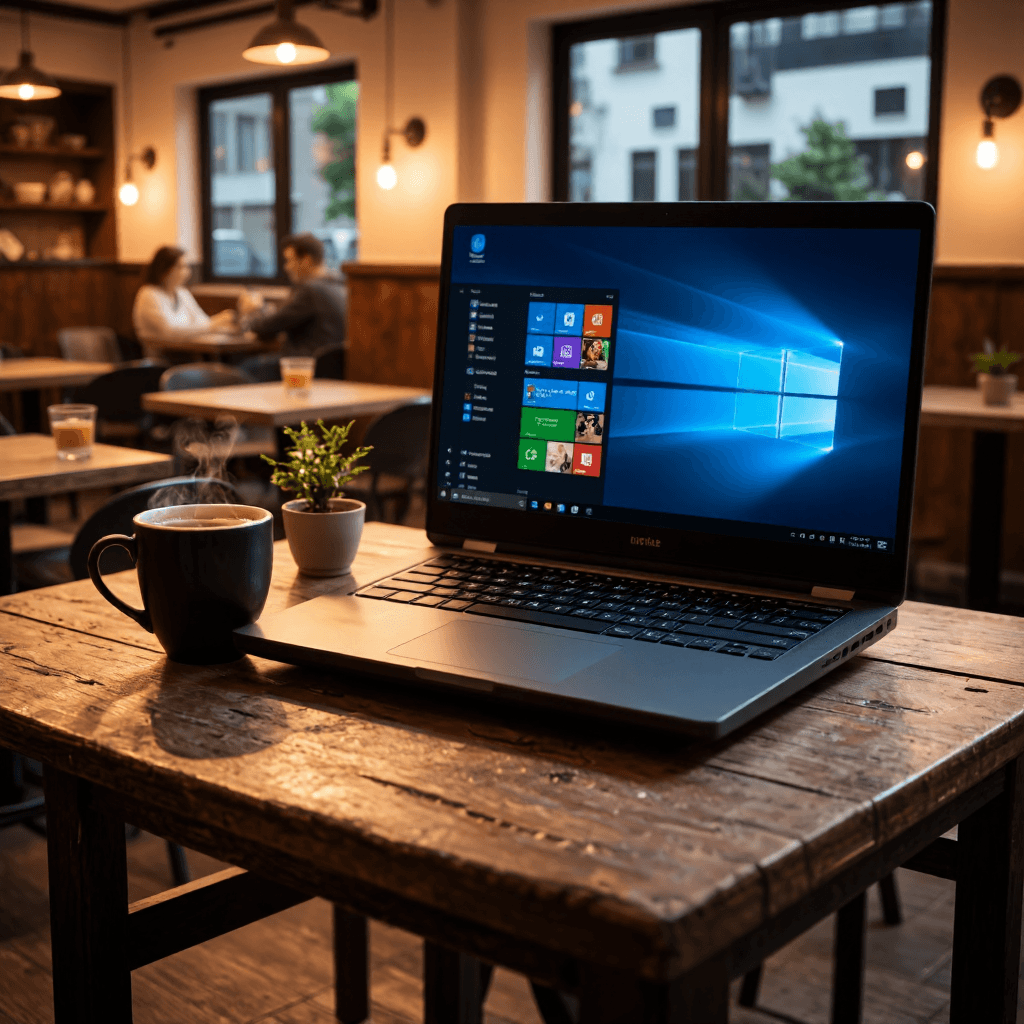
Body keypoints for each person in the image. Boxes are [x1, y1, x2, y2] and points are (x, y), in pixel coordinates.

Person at [237, 233, 346, 356]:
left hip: (303, 366)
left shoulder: (311, 290)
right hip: (330, 367)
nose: (286, 267)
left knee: (243, 369)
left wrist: (253, 310)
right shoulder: (340, 284)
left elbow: (266, 328)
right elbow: (282, 318)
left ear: (306, 260)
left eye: (289, 261)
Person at [133, 246, 235, 351]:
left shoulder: (182, 293)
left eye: (187, 267)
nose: (187, 272)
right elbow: (170, 332)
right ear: (164, 269)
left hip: (189, 351)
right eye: (181, 267)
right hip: (163, 357)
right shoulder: (149, 294)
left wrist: (219, 324)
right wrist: (213, 324)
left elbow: (201, 320)